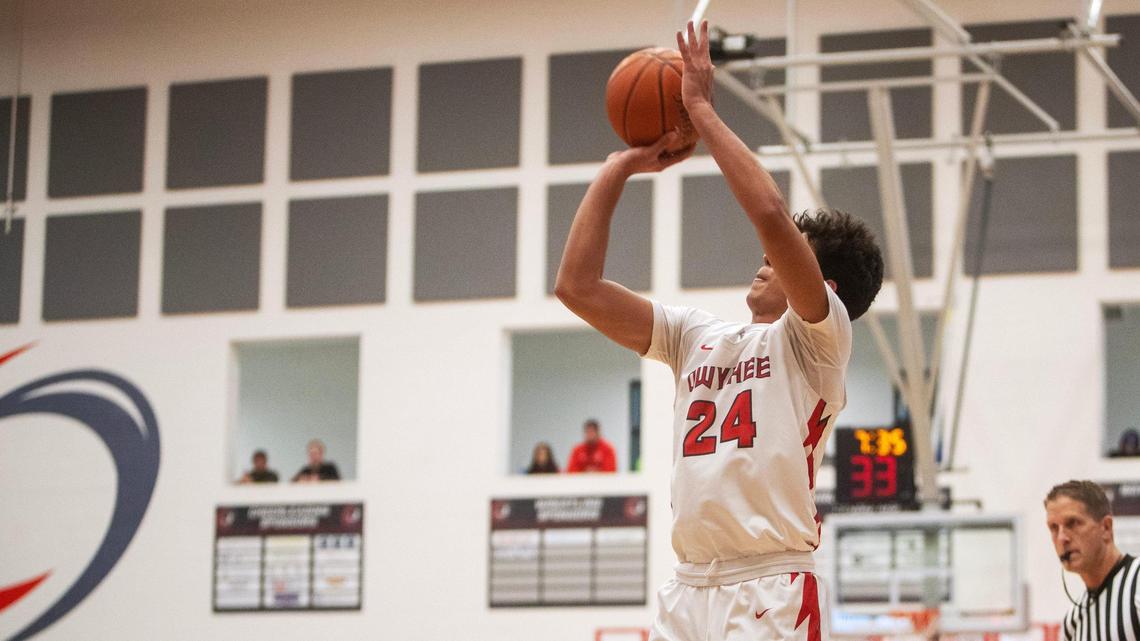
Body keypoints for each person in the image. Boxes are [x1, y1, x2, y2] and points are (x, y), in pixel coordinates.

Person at [555, 21, 883, 641]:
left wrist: (700, 108)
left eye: (787, 255)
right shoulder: (694, 336)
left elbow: (767, 212)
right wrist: (618, 170)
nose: (765, 258)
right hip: (689, 586)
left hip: (772, 584)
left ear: (826, 287)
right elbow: (577, 287)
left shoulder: (818, 341)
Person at [1044, 480, 1140, 641]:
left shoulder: (1137, 582)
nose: (1062, 538)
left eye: (1073, 523)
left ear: (1106, 528)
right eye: (1054, 528)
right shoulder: (1072, 622)